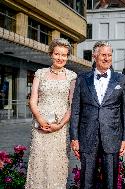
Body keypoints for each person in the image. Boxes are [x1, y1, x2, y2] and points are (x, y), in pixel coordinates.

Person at [70, 41, 125, 189]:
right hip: (87, 137)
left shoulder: (122, 79)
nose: (107, 58)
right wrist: (74, 137)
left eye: (109, 55)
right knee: (86, 181)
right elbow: (76, 110)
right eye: (103, 55)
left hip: (112, 137)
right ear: (94, 56)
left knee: (110, 182)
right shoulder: (82, 79)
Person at [25, 38, 77, 189]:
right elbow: (32, 101)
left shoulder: (71, 76)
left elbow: (72, 105)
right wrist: (40, 120)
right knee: (38, 163)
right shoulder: (40, 74)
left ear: (67, 56)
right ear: (51, 54)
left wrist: (60, 125)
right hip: (40, 128)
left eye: (64, 55)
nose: (61, 58)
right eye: (57, 54)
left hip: (60, 130)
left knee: (57, 165)